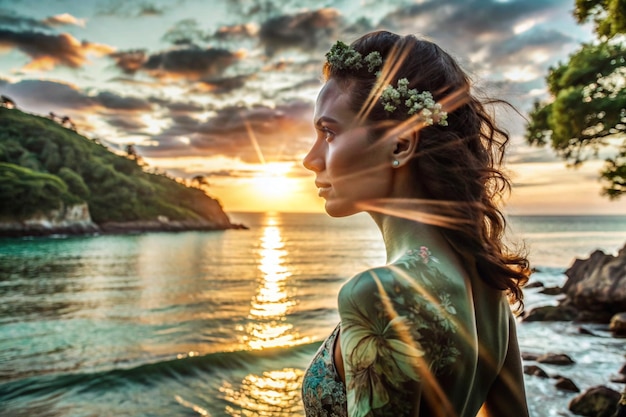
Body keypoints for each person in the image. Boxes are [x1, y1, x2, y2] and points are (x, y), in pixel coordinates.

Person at [300, 31, 531, 417]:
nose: (310, 158)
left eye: (329, 133)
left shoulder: (380, 294)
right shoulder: (488, 290)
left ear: (400, 144)